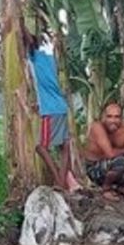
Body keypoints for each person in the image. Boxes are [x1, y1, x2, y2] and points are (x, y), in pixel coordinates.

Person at [25, 30, 73, 189]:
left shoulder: (34, 58)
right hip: (61, 107)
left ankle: (59, 182)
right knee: (64, 146)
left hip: (50, 110)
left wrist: (21, 22)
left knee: (41, 147)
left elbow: (30, 42)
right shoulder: (51, 60)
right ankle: (63, 181)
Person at [83, 103, 124, 202]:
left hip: (117, 170)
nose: (113, 120)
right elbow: (110, 153)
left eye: (116, 117)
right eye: (109, 117)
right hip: (96, 169)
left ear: (121, 118)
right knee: (120, 161)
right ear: (104, 117)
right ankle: (106, 189)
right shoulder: (97, 127)